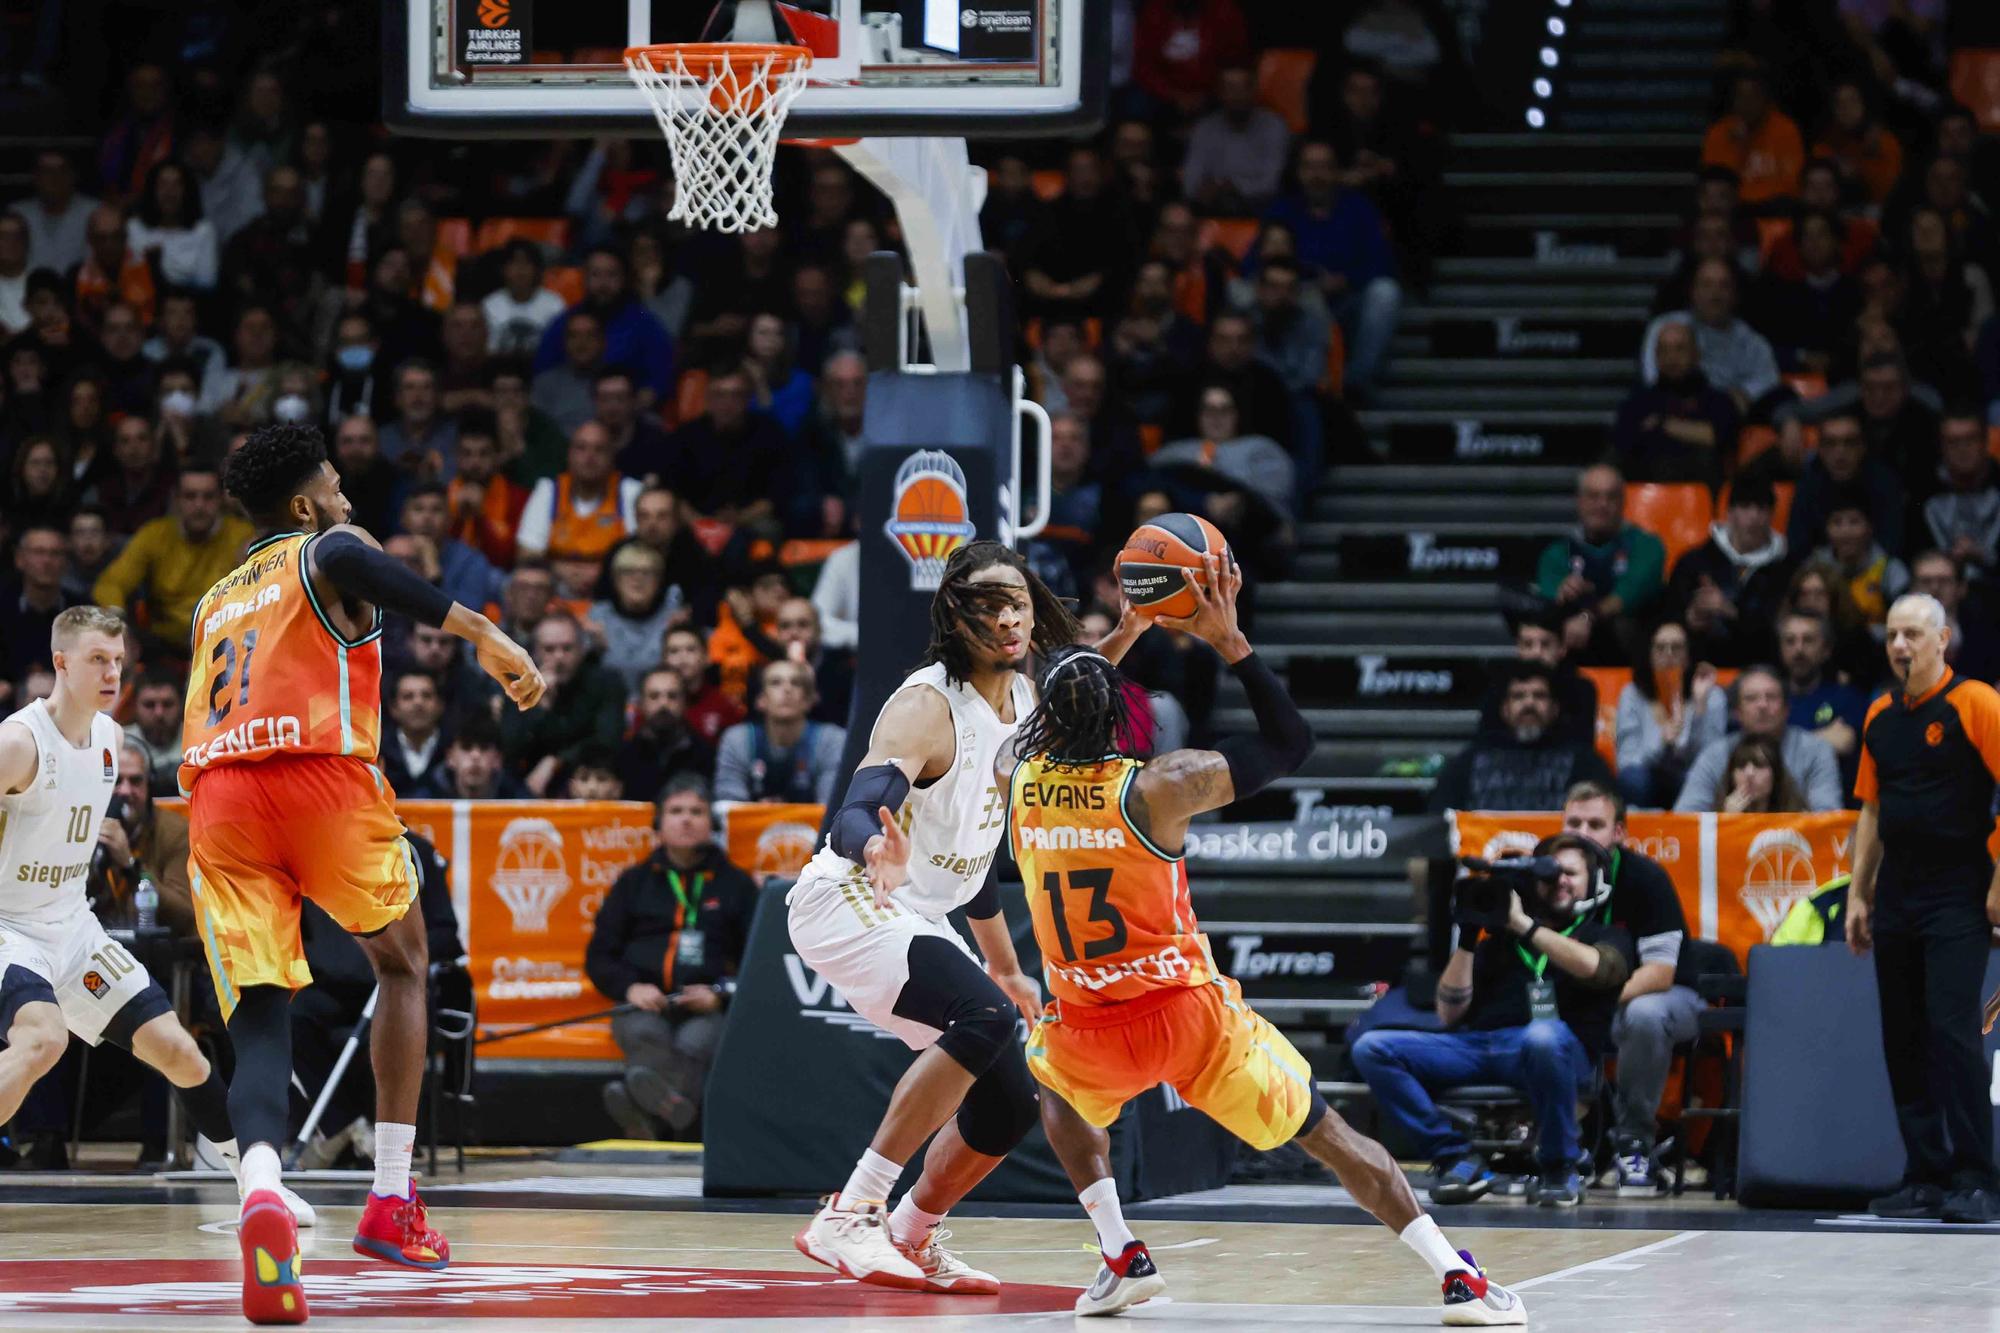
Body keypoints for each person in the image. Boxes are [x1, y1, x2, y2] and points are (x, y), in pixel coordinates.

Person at [1013, 563, 1525, 1323]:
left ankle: (1120, 1250)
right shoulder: (1161, 785)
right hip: (1192, 1018)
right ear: (1124, 714)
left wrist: (1120, 635)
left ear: (1047, 721)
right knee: (1329, 1133)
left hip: (1091, 1023)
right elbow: (1291, 740)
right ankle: (1457, 1277)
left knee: (1050, 1080)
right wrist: (1232, 642)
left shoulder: (1017, 779)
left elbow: (1052, 715)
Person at [181, 423, 545, 1321]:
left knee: (260, 1008)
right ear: (303, 503)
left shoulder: (213, 598)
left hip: (219, 800)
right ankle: (390, 1197)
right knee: (405, 961)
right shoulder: (328, 546)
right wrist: (487, 637)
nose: (348, 498)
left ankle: (261, 1183)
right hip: (322, 777)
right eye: (336, 485)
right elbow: (374, 569)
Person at [786, 541, 1104, 1294]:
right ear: (956, 615)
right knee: (985, 1016)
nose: (1008, 616)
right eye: (989, 603)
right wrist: (875, 851)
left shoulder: (1027, 703)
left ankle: (911, 1231)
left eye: (1018, 600)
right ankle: (853, 1208)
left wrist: (1004, 962)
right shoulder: (926, 704)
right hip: (848, 894)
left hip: (921, 912)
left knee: (1008, 1103)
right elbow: (853, 812)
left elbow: (979, 864)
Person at [0, 607, 314, 1222]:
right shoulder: (18, 743)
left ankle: (257, 1186)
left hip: (72, 927)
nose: (113, 672)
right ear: (61, 663)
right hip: (8, 927)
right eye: (98, 659)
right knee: (42, 1039)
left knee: (179, 1051)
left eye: (119, 661)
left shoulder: (114, 739)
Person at [1351, 835, 1635, 1209]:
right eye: (1551, 874)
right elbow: (1448, 1013)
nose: (1560, 881)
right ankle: (1456, 1156)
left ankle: (1558, 1167)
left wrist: (1523, 925)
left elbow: (1598, 968)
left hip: (1560, 1053)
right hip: (1483, 1047)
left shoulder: (1606, 934)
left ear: (1594, 881)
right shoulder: (1500, 941)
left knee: (1543, 1036)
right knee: (1373, 1048)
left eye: (1571, 873)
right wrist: (1468, 939)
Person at [1848, 593, 2000, 1223]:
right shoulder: (1880, 715)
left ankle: (1976, 1178)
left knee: (1952, 1030)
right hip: (1901, 895)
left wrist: (1998, 884)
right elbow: (1872, 809)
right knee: (1902, 1036)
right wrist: (1860, 891)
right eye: (1891, 635)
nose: (1900, 646)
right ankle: (1926, 1174)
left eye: (1912, 634)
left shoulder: (1978, 704)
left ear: (1943, 640)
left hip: (1960, 890)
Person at [587, 774, 756, 1139]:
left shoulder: (737, 885)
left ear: (711, 824)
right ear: (658, 825)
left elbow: (756, 961)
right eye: (676, 811)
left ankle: (643, 1112)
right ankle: (673, 1116)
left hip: (708, 1006)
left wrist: (720, 995)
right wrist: (631, 989)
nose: (686, 819)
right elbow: (599, 956)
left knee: (697, 1041)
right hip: (645, 1004)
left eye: (696, 811)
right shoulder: (633, 883)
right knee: (643, 1031)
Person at [1558, 783, 1699, 1194]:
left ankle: (1634, 1142)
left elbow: (1659, 973)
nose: (1583, 833)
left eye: (1596, 824)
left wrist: (1593, 1003)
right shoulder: (1553, 879)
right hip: (1595, 999)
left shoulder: (1645, 878)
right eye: (1574, 823)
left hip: (1666, 997)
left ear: (1619, 833)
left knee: (1644, 1015)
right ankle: (1560, 1144)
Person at [91, 466, 254, 664]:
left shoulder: (243, 536)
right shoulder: (154, 535)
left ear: (221, 499)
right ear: (176, 499)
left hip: (227, 643)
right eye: (190, 496)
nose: (199, 505)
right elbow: (110, 584)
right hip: (163, 647)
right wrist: (117, 625)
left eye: (208, 497)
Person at [1434, 662, 1613, 812]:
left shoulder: (1584, 762)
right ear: (1504, 709)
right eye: (1518, 696)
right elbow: (1439, 818)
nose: (1529, 703)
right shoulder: (1469, 762)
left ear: (1554, 709)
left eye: (1539, 696)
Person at [1535, 463, 1668, 666]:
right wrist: (1564, 594)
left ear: (1624, 502)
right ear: (1579, 501)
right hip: (1570, 654)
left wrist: (1588, 614)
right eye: (1593, 496)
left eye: (1611, 496)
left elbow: (1629, 593)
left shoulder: (1647, 546)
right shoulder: (1556, 553)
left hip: (1632, 655)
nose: (1602, 504)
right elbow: (1549, 592)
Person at [1664, 474, 1798, 667]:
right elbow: (1667, 617)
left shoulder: (1786, 568)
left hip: (1761, 668)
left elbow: (1780, 631)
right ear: (1729, 512)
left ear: (1771, 515)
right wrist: (1690, 620)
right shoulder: (1693, 562)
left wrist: (1730, 611)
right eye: (1745, 507)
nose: (1754, 517)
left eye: (1762, 509)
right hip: (1696, 665)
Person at [1673, 665, 1844, 812]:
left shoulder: (1816, 751)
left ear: (1787, 709)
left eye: (1771, 697)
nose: (1762, 705)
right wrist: (1724, 820)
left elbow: (1829, 818)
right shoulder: (1715, 755)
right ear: (1737, 712)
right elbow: (1685, 818)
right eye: (1751, 698)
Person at [1613, 320, 1740, 488]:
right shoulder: (1637, 403)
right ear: (1656, 357)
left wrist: (1662, 424)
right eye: (1664, 351)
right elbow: (1623, 442)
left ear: (1696, 354)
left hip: (1703, 495)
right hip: (1648, 497)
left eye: (1679, 349)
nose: (1671, 358)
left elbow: (1718, 437)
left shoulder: (1718, 401)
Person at [1615, 620, 1727, 809]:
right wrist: (1662, 744)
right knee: (1633, 780)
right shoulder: (1632, 693)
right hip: (1645, 780)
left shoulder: (1711, 694)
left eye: (1676, 648)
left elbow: (1710, 761)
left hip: (1689, 778)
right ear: (1649, 654)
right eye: (1660, 648)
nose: (1668, 655)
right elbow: (1627, 761)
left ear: (1688, 655)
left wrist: (1699, 709)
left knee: (1695, 779)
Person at [713, 660, 847, 806]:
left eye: (796, 683)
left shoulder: (831, 740)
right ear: (760, 699)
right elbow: (726, 806)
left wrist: (773, 814)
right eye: (775, 683)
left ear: (809, 700)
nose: (787, 689)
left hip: (815, 829)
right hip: (751, 828)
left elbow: (832, 808)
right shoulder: (737, 739)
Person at [615, 666, 713, 799]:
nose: (663, 704)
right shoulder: (623, 756)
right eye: (654, 696)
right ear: (641, 704)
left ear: (685, 702)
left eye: (672, 696)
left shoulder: (705, 755)